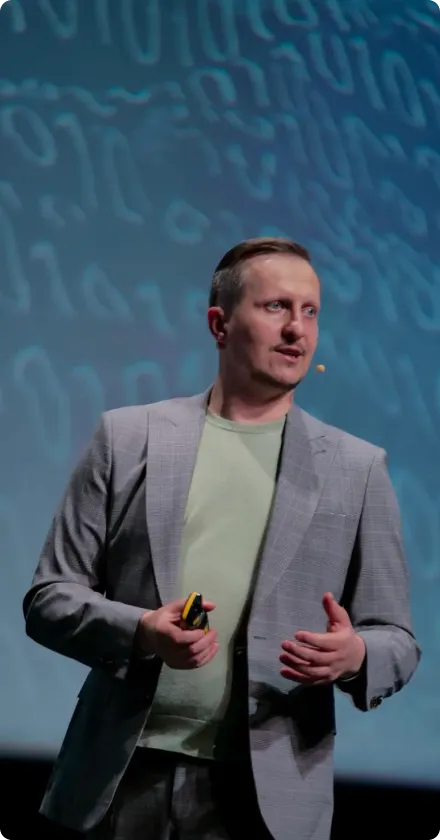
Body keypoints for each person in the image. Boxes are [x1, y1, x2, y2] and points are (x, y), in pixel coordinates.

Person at [23, 237, 420, 840]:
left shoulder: (356, 468)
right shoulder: (130, 438)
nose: (296, 329)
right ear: (220, 323)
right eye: (275, 307)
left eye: (310, 311)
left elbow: (397, 640)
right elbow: (49, 599)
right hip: (120, 778)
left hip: (267, 800)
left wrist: (357, 656)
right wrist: (143, 633)